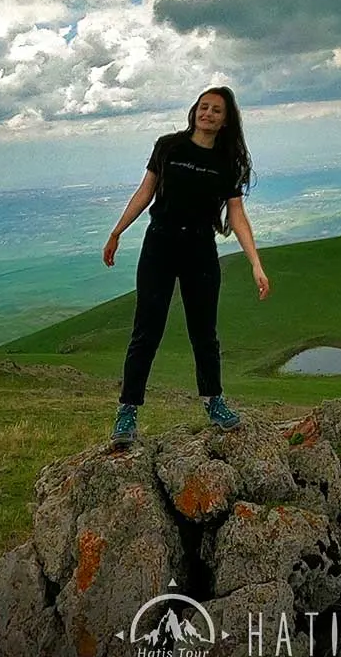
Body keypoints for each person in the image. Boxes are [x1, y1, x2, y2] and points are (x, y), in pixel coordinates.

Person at [102, 86, 270, 444]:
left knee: (204, 333)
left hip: (200, 248)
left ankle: (213, 402)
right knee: (146, 331)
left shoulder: (227, 162)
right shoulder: (169, 147)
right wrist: (117, 232)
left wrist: (255, 263)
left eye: (216, 110)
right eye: (203, 107)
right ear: (194, 111)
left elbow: (237, 215)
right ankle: (127, 412)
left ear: (226, 121)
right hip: (160, 244)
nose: (207, 114)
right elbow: (145, 191)